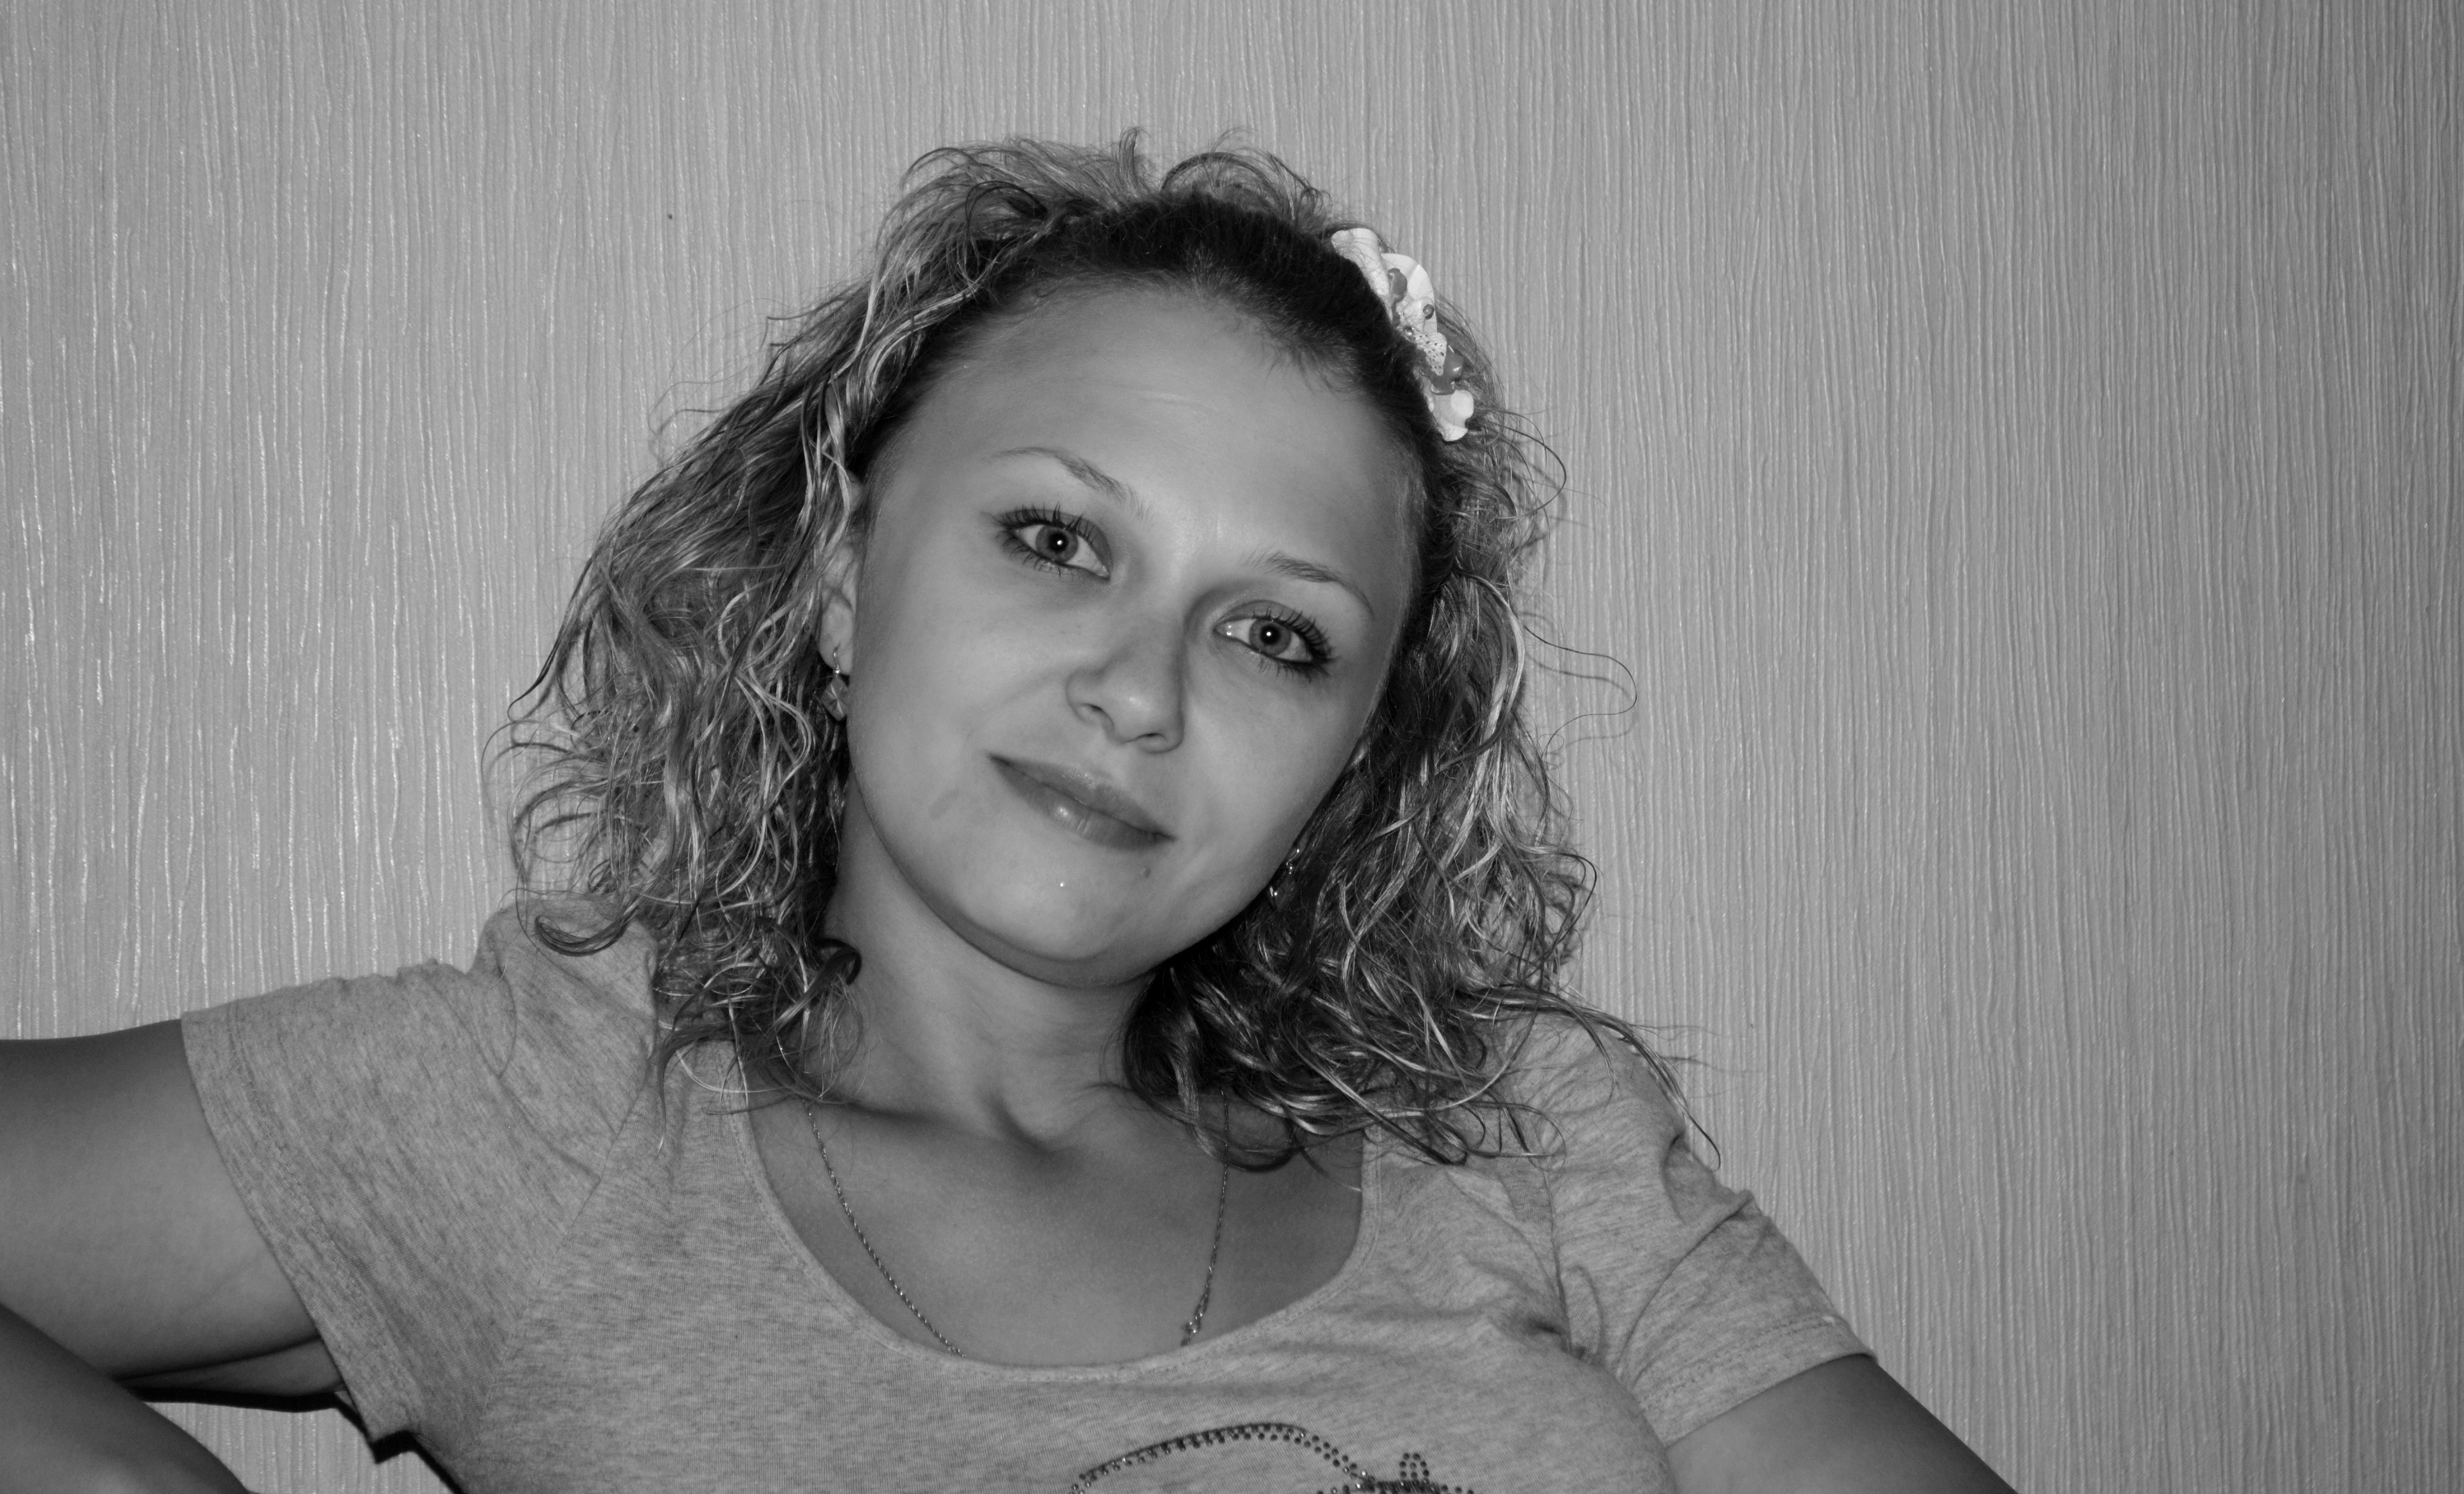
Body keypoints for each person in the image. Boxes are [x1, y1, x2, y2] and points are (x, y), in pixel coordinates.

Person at [0, 134, 2013, 1493]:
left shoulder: (1530, 1134)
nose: (1143, 688)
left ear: (1354, 758)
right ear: (839, 576)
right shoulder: (550, 1114)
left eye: (1279, 635)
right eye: (1058, 537)